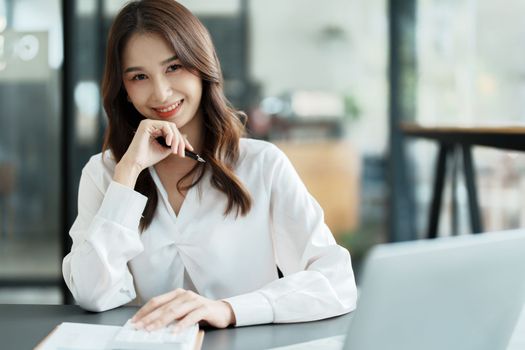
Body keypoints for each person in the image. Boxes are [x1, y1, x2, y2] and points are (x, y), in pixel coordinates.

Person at [62, 0, 357, 332]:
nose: (161, 93)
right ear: (124, 90)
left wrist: (229, 309)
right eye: (139, 76)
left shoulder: (261, 164)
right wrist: (128, 172)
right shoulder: (105, 174)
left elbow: (336, 281)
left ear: (201, 66)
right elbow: (91, 294)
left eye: (173, 68)